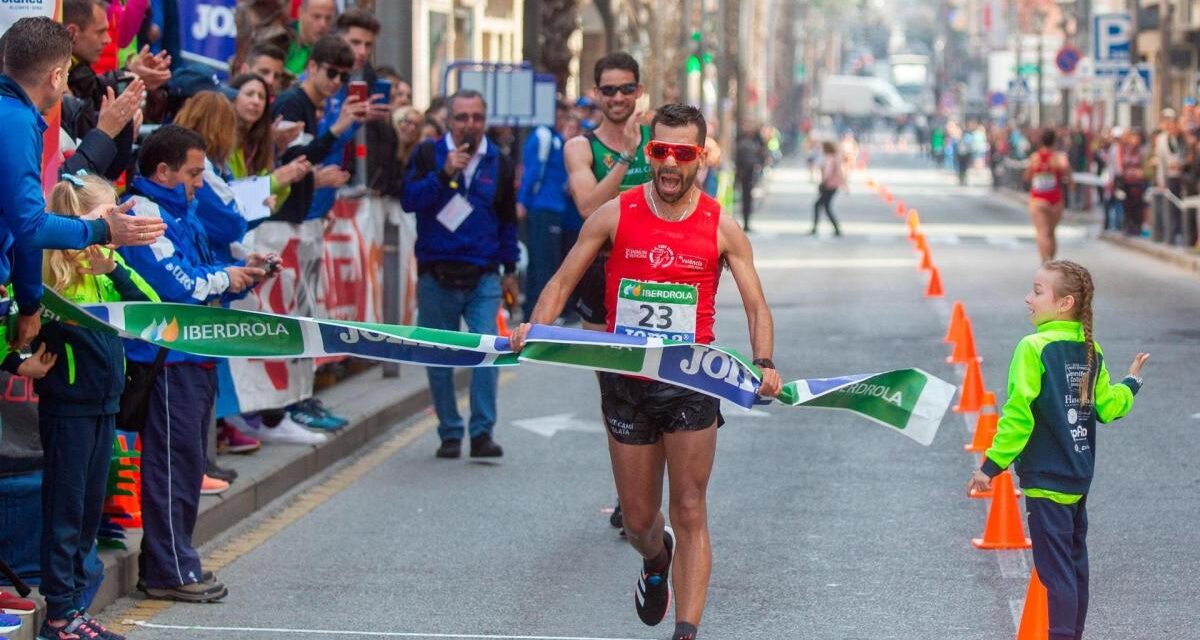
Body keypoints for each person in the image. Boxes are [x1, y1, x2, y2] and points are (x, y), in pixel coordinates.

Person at [511, 104, 782, 640]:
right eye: (660, 151)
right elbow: (564, 281)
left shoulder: (721, 226)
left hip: (689, 383)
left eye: (683, 153)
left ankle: (686, 631)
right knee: (639, 521)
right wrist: (533, 330)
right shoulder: (614, 213)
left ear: (700, 158)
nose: (670, 164)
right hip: (626, 382)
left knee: (689, 505)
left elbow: (755, 305)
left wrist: (764, 362)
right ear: (649, 152)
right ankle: (655, 560)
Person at [118, 125, 274, 603]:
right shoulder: (142, 212)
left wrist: (244, 276)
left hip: (195, 353)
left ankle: (174, 562)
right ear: (162, 171)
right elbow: (177, 285)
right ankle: (168, 570)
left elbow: (203, 278)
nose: (199, 183)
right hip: (167, 360)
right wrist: (228, 277)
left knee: (184, 467)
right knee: (170, 467)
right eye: (192, 173)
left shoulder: (180, 211)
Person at [968, 260, 1149, 640]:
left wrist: (990, 467)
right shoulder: (1090, 347)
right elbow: (1107, 407)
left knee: (1055, 573)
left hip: (1046, 479)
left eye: (1037, 291)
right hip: (1078, 478)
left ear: (1065, 303)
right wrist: (1131, 383)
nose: (1028, 299)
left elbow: (1019, 416)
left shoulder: (1033, 348)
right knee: (1073, 568)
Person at [34, 173, 156, 640]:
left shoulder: (105, 273)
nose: (119, 221)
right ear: (84, 221)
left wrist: (116, 271)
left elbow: (152, 308)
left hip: (105, 405)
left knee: (87, 513)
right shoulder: (51, 278)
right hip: (68, 409)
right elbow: (13, 322)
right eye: (110, 215)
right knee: (65, 513)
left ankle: (76, 609)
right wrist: (21, 362)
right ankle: (60, 615)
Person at [0, 16, 165, 354]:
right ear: (56, 76)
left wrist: (30, 302)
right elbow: (31, 227)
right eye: (65, 78)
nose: (64, 91)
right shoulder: (16, 121)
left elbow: (20, 227)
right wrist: (103, 230)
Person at [562, 52, 655, 531]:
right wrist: (626, 156)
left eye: (626, 89)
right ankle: (627, 493)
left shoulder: (659, 140)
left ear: (639, 91)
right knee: (614, 390)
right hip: (602, 274)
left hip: (653, 277)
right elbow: (588, 205)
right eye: (609, 90)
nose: (618, 98)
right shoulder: (581, 147)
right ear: (596, 93)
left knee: (659, 385)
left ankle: (648, 489)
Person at [400, 89, 518, 460]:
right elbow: (409, 200)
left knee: (488, 351)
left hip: (483, 275)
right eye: (462, 117)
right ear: (449, 120)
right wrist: (444, 173)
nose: (470, 124)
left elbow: (507, 219)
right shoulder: (426, 154)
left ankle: (482, 431)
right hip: (436, 274)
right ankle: (449, 431)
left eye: (477, 117)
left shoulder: (499, 160)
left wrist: (510, 267)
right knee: (439, 357)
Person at [270, 34, 365, 224]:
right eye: (331, 73)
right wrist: (336, 129)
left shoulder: (307, 105)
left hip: (293, 217)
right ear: (313, 67)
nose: (337, 81)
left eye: (344, 76)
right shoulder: (292, 103)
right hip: (278, 219)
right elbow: (294, 159)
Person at [518, 101, 576, 319]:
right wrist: (524, 200)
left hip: (552, 207)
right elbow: (533, 171)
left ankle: (535, 314)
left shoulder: (555, 138)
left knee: (545, 262)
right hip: (543, 207)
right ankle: (538, 315)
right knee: (543, 263)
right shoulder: (543, 136)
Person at [1025, 129, 1072, 262]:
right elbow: (1068, 174)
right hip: (1055, 199)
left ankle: (1045, 262)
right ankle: (1051, 259)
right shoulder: (1059, 158)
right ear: (1054, 141)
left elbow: (1027, 176)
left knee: (1042, 232)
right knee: (1051, 232)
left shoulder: (1035, 158)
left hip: (1038, 199)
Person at [1155, 108, 1187, 244]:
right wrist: (1161, 180)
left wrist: (1181, 164)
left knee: (1182, 207)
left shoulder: (1183, 138)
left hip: (1182, 177)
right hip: (1169, 177)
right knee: (1169, 208)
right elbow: (1160, 162)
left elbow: (1186, 157)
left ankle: (1180, 235)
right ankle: (1170, 236)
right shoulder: (1161, 140)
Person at [284, 0, 336, 77]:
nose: (323, 24)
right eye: (316, 17)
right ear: (300, 13)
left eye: (328, 18)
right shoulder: (281, 39)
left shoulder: (333, 48)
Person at [1117, 130, 1150, 237]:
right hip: (1127, 183)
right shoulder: (1125, 150)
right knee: (1128, 206)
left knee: (1138, 206)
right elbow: (1121, 165)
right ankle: (1128, 226)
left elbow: (1145, 168)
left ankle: (1137, 227)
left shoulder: (1142, 152)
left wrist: (1141, 173)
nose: (1135, 141)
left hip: (1138, 184)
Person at [734, 126, 766, 232]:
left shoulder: (745, 145)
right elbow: (759, 158)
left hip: (747, 176)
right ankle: (746, 223)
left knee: (747, 199)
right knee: (747, 200)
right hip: (747, 176)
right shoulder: (748, 145)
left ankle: (747, 223)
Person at [812, 141, 843, 236]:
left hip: (829, 186)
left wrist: (822, 182)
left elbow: (827, 173)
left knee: (819, 206)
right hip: (833, 186)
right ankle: (835, 229)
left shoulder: (829, 158)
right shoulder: (834, 157)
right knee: (824, 206)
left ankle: (816, 228)